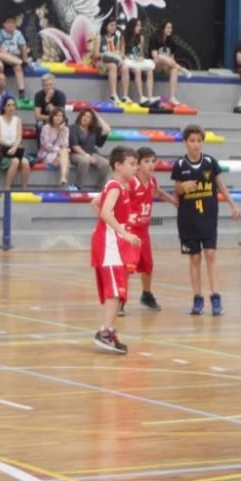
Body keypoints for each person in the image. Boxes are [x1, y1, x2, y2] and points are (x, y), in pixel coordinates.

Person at [172, 125, 240, 315]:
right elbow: (177, 191)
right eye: (192, 141)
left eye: (199, 141)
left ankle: (216, 297)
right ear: (185, 143)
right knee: (194, 258)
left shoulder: (210, 162)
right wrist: (184, 186)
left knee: (210, 254)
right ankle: (197, 298)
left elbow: (222, 186)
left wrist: (233, 205)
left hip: (208, 218)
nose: (196, 144)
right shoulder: (179, 165)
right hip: (188, 220)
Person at [90, 146, 141, 354]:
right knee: (114, 291)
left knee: (118, 291)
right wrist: (122, 232)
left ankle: (108, 331)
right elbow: (104, 211)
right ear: (118, 166)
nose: (135, 168)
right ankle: (105, 332)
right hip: (109, 247)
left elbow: (95, 203)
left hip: (111, 244)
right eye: (132, 164)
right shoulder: (115, 187)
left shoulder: (119, 186)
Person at [118, 146, 178, 315]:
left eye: (153, 161)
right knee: (128, 267)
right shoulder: (131, 182)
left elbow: (158, 192)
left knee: (148, 266)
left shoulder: (152, 182)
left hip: (144, 231)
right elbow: (118, 198)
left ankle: (146, 294)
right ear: (137, 164)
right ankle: (121, 299)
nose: (151, 165)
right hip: (130, 231)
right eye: (146, 161)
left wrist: (172, 200)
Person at [0, 98, 30, 190]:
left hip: (14, 149)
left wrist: (14, 147)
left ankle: (24, 190)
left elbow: (19, 138)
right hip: (1, 150)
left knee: (25, 162)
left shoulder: (18, 120)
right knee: (15, 161)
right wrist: (10, 146)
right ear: (4, 107)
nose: (11, 107)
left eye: (13, 105)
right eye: (8, 105)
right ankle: (7, 189)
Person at [151, 21, 191, 106]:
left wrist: (167, 64)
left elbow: (172, 59)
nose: (170, 30)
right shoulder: (154, 39)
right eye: (168, 28)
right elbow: (155, 56)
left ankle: (172, 97)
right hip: (156, 65)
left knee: (174, 69)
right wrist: (165, 60)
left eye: (171, 28)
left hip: (166, 66)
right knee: (160, 57)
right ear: (162, 29)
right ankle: (183, 69)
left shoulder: (172, 41)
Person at [70, 110, 111, 190]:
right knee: (84, 161)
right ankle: (78, 186)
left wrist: (97, 115)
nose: (85, 118)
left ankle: (100, 187)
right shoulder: (73, 128)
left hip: (92, 153)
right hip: (75, 153)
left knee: (105, 163)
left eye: (89, 117)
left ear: (92, 120)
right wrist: (86, 155)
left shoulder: (94, 130)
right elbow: (75, 146)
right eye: (84, 115)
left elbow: (107, 129)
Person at [0, 14, 31, 99]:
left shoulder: (18, 33)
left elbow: (23, 46)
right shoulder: (0, 33)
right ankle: (0, 91)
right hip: (3, 57)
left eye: (13, 23)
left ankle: (21, 92)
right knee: (0, 55)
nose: (11, 25)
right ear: (4, 24)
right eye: (8, 23)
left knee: (18, 67)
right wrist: (7, 54)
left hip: (14, 58)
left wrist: (24, 58)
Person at [123, 18, 156, 106]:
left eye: (140, 25)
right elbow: (121, 54)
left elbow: (141, 53)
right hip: (128, 60)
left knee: (150, 70)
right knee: (137, 70)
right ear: (132, 26)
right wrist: (130, 57)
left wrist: (140, 58)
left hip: (137, 60)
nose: (140, 27)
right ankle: (141, 96)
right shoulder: (124, 37)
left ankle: (150, 97)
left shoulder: (141, 38)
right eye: (137, 25)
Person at [36, 107, 72, 189]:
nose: (58, 118)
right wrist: (59, 150)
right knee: (66, 160)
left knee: (65, 156)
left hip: (59, 156)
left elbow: (65, 144)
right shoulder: (46, 128)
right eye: (55, 115)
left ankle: (63, 179)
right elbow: (46, 145)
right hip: (46, 154)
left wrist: (62, 132)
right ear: (52, 117)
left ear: (63, 118)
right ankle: (64, 184)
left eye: (60, 116)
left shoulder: (65, 129)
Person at [99, 17, 131, 103]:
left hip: (114, 61)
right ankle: (113, 94)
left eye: (115, 26)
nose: (114, 27)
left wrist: (118, 53)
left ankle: (125, 96)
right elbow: (95, 54)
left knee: (125, 67)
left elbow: (118, 53)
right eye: (111, 25)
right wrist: (107, 54)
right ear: (106, 26)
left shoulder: (116, 38)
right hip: (101, 61)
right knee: (113, 66)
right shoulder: (100, 37)